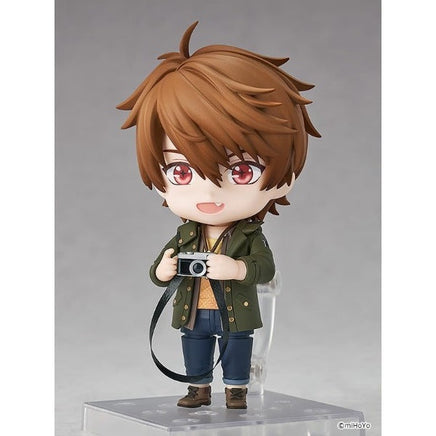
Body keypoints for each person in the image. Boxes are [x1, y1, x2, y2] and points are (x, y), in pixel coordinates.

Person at [117, 21, 320, 409]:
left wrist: (237, 269)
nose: (209, 193)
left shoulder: (249, 235)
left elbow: (265, 268)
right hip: (194, 309)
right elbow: (158, 273)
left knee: (236, 348)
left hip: (234, 310)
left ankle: (236, 390)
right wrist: (165, 269)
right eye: (181, 171)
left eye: (241, 171)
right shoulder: (186, 235)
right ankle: (198, 387)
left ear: (284, 175)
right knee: (194, 347)